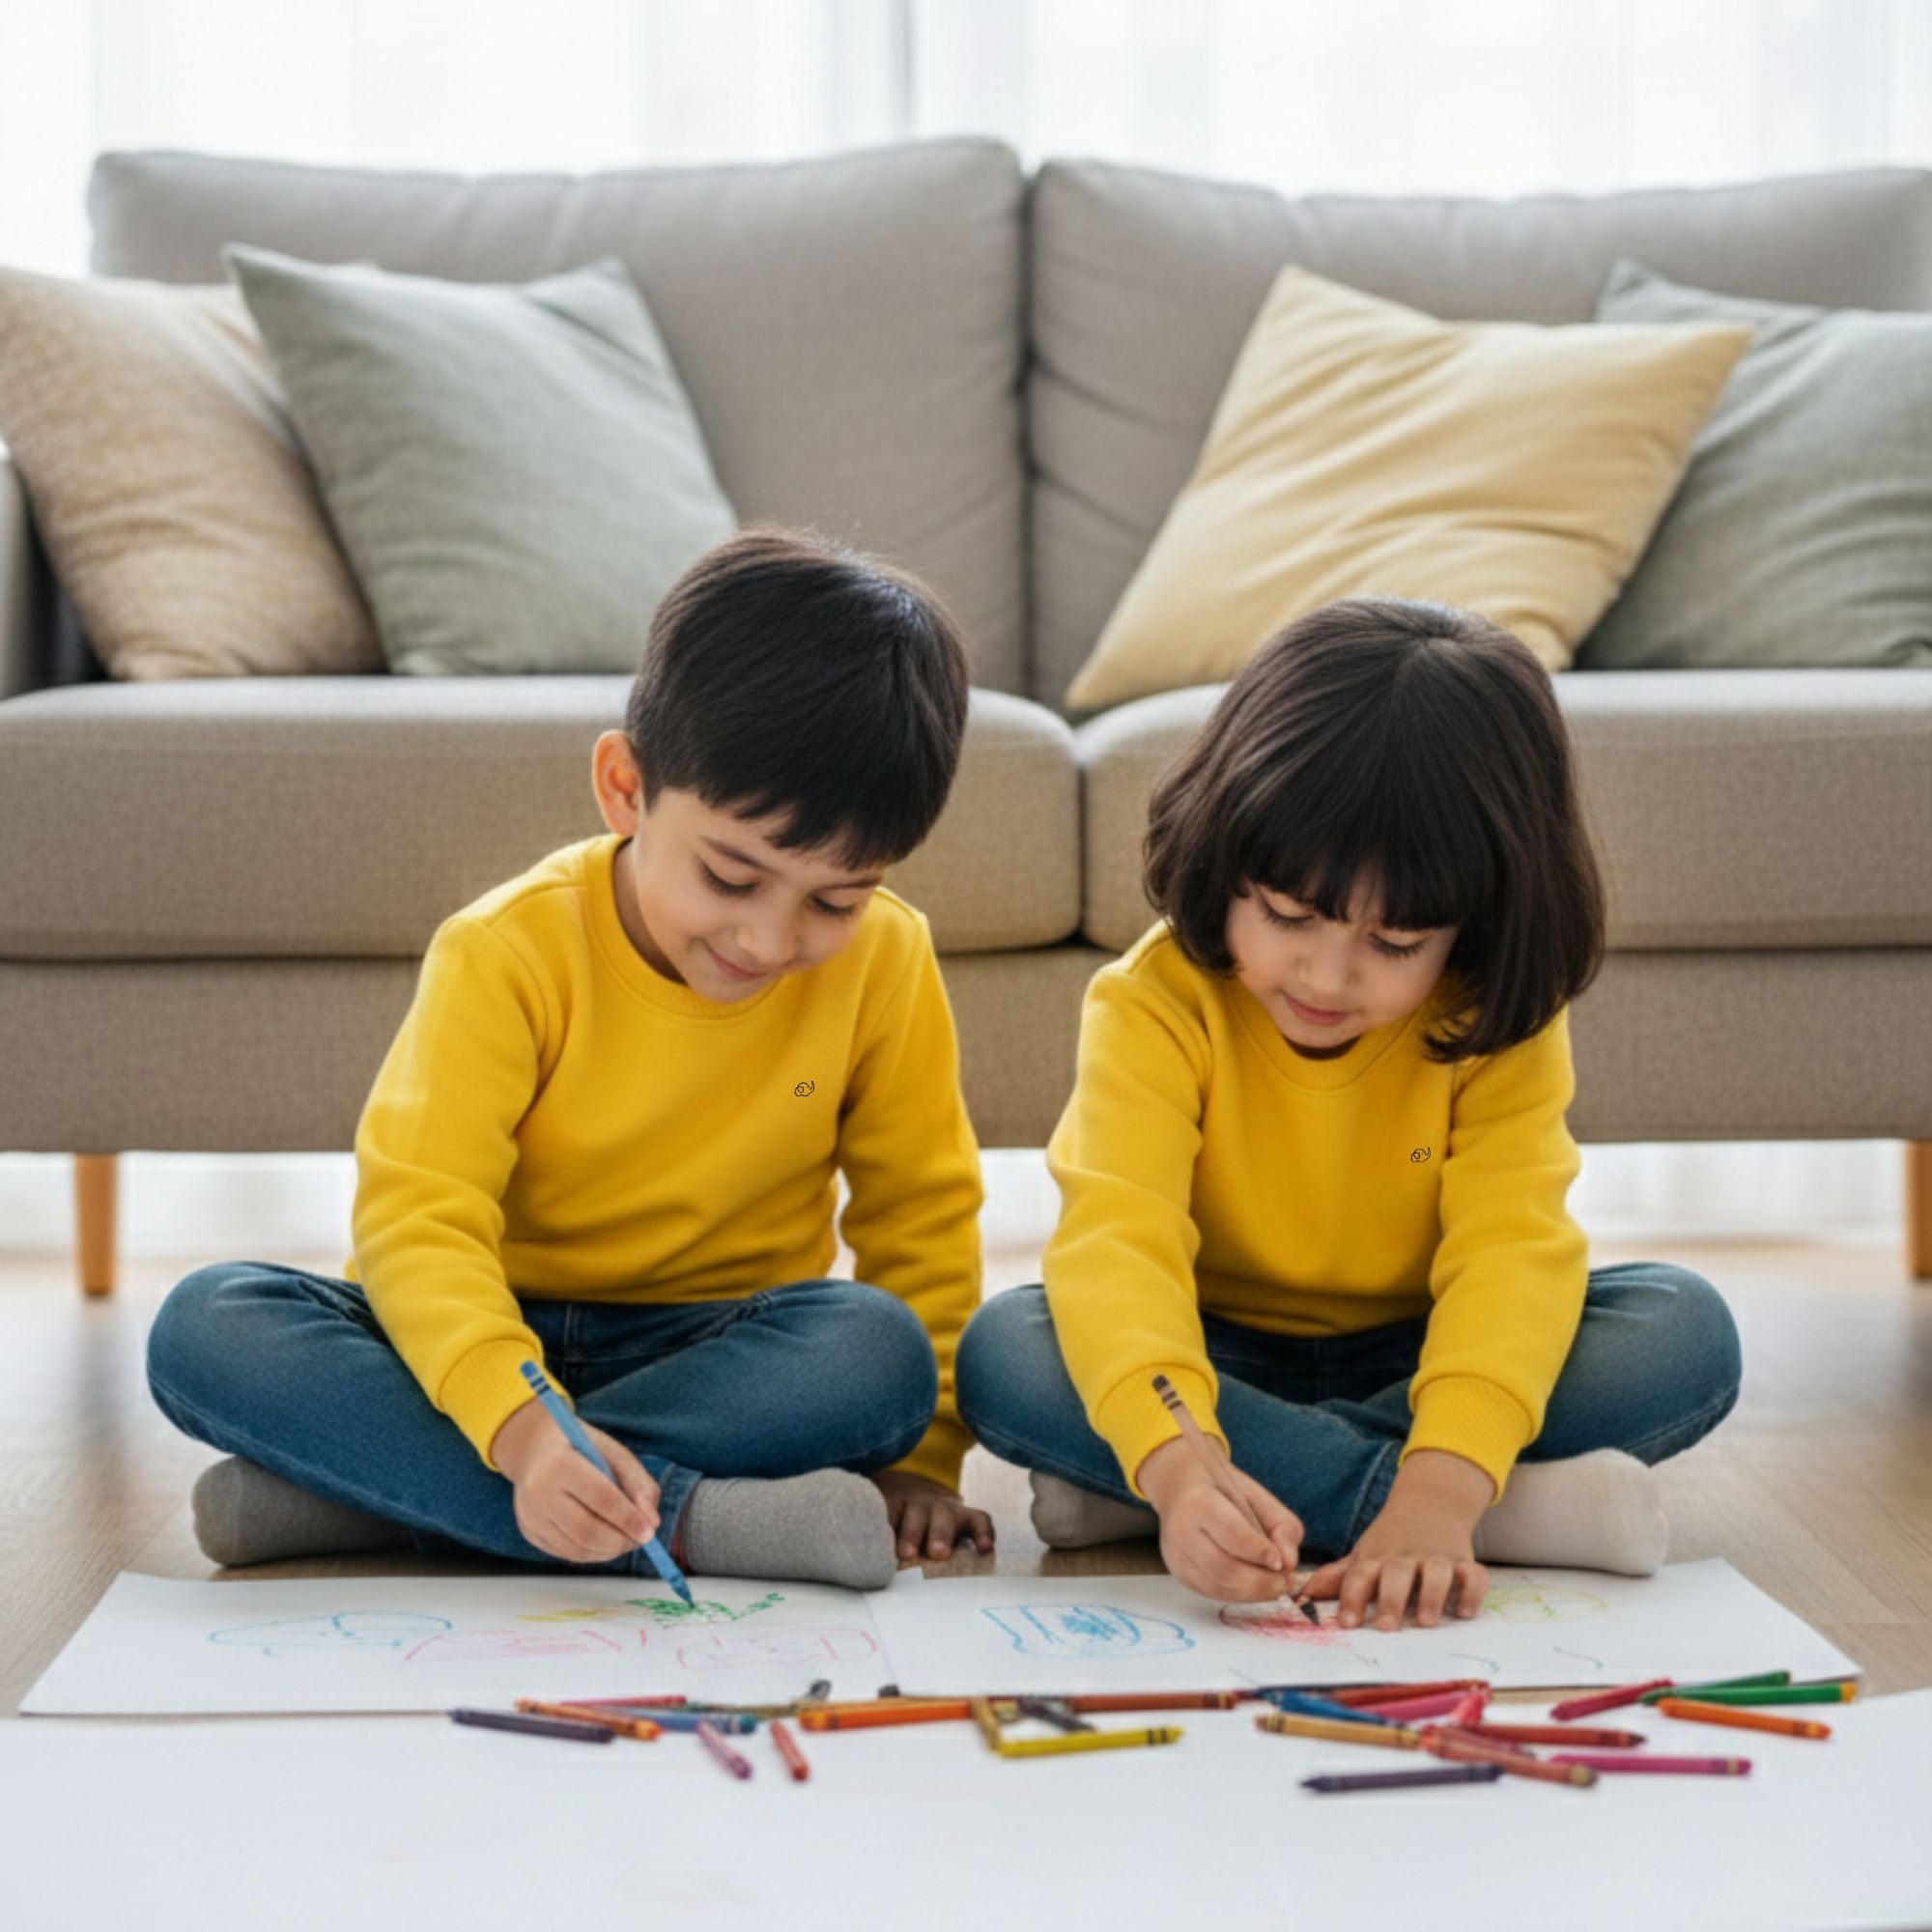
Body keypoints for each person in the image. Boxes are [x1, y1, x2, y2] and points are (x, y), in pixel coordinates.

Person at [149, 528, 994, 1587]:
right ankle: (687, 1520)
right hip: (473, 1341)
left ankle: (373, 1494)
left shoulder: (886, 959)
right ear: (624, 787)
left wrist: (919, 1466)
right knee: (207, 1327)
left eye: (834, 898)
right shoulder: (504, 949)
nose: (770, 941)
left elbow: (919, 1215)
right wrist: (524, 1429)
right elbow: (420, 1218)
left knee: (877, 1355)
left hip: (713, 1348)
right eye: (731, 877)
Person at [956, 597, 1740, 1631]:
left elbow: (1511, 1251)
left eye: (1396, 942)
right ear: (1220, 851)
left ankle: (1187, 1488)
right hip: (1210, 1356)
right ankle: (1473, 1508)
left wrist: (1440, 1480)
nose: (1326, 975)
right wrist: (1182, 1451)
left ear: (1475, 924)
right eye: (1285, 915)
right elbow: (1119, 1245)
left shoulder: (1492, 1017)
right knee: (1009, 1348)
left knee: (1682, 1332)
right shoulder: (1152, 1002)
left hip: (1420, 1356)